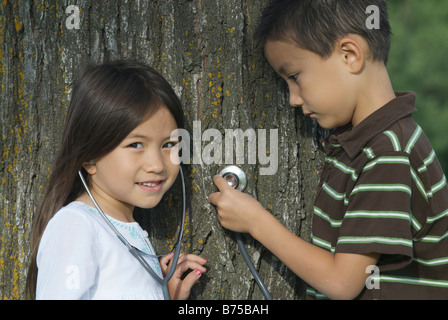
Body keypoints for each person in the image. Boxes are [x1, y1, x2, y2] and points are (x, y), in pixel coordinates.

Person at [209, 0, 448, 299]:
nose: (293, 99)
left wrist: (255, 221)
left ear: (350, 55)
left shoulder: (388, 155)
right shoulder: (363, 141)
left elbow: (341, 283)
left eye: (295, 77)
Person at [26, 60, 206, 300]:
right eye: (135, 144)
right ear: (89, 158)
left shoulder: (124, 234)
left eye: (169, 144)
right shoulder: (76, 226)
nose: (157, 165)